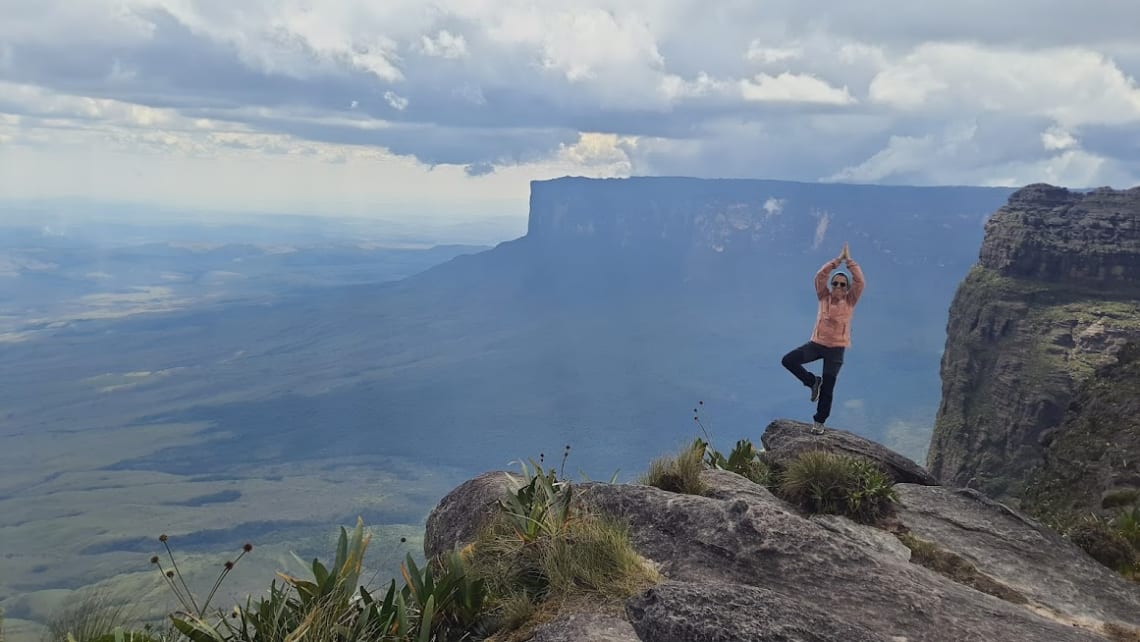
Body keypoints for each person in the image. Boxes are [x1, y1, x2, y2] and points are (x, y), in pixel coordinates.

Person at [781, 242, 865, 434]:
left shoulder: (850, 301)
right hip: (817, 344)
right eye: (835, 283)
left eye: (842, 284)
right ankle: (811, 382)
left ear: (847, 289)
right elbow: (820, 276)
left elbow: (860, 282)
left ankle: (819, 423)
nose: (837, 286)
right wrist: (837, 261)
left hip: (836, 349)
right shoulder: (823, 297)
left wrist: (849, 262)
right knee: (788, 360)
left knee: (828, 388)